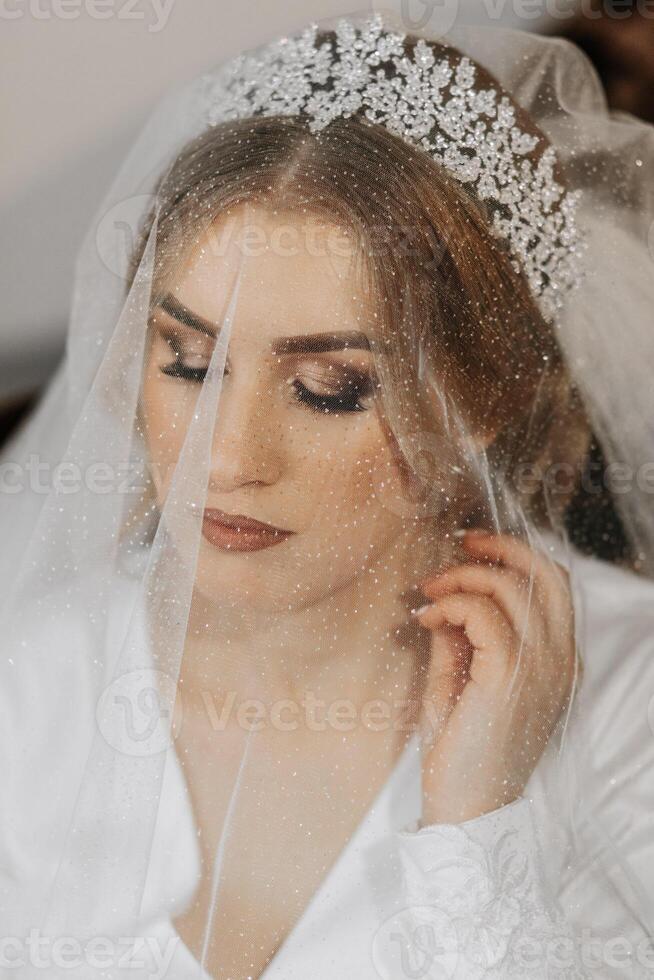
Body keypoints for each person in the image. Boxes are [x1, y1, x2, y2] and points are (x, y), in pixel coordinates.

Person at [1, 11, 653, 979]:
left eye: (328, 389)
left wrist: (481, 831)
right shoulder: (29, 682)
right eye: (187, 362)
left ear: (478, 398)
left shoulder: (627, 693)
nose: (226, 459)